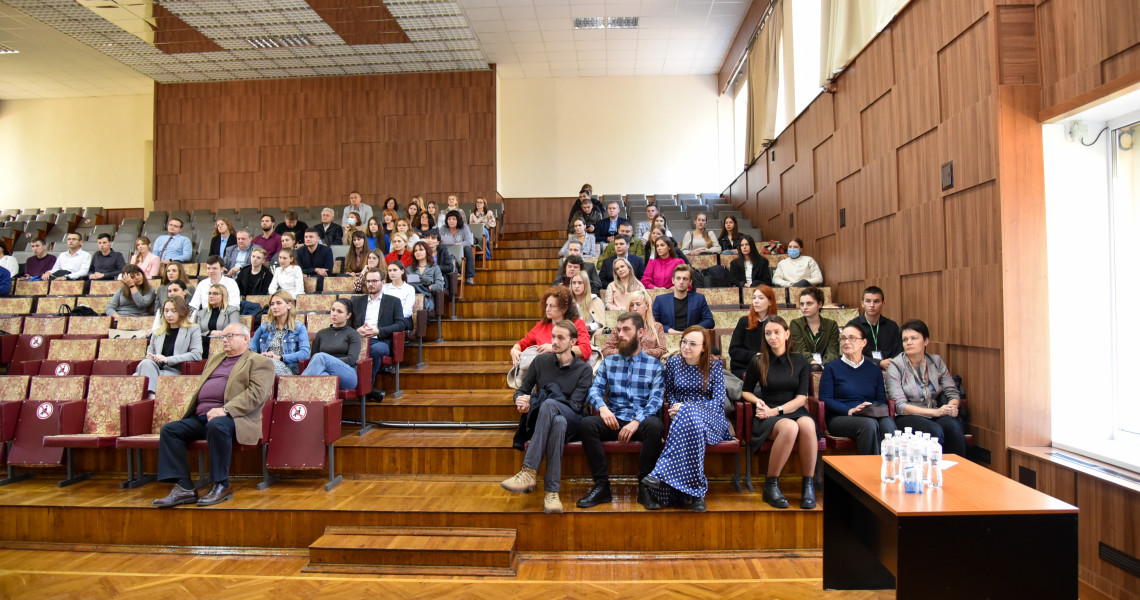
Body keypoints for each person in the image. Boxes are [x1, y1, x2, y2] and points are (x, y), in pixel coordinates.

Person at [151, 323, 274, 508]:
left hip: (235, 418)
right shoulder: (215, 359)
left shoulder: (259, 362)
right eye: (222, 337)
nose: (224, 340)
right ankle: (184, 487)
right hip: (202, 417)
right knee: (170, 430)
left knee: (217, 425)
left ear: (245, 339)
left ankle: (221, 484)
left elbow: (256, 394)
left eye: (230, 336)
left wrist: (225, 410)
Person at [500, 320, 594, 514]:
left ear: (573, 342)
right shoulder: (541, 362)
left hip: (573, 421)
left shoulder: (584, 370)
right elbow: (522, 390)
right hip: (547, 420)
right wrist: (521, 401)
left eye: (561, 338)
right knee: (556, 421)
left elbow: (575, 405)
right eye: (553, 337)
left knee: (553, 407)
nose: (555, 342)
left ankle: (529, 471)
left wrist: (536, 402)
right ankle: (552, 493)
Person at [577, 312, 666, 510]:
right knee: (587, 424)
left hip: (640, 423)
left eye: (626, 329)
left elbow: (656, 400)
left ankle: (645, 488)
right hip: (614, 419)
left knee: (654, 426)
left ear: (640, 332)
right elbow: (594, 389)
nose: (620, 334)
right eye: (618, 330)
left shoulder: (655, 366)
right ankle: (602, 486)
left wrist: (637, 421)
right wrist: (602, 408)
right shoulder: (609, 362)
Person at [641, 326, 731, 512]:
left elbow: (718, 402)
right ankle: (698, 494)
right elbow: (671, 393)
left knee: (693, 419)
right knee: (694, 427)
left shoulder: (715, 366)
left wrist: (686, 407)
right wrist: (676, 407)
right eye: (684, 342)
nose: (686, 347)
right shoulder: (673, 363)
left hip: (711, 418)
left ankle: (660, 472)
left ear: (704, 347)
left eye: (692, 344)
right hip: (685, 419)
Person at [741, 316, 817, 509]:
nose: (772, 337)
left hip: (790, 408)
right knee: (790, 427)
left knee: (807, 424)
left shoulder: (800, 360)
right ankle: (771, 484)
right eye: (768, 333)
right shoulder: (758, 360)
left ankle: (808, 485)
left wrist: (777, 411)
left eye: (777, 332)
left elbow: (802, 398)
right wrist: (758, 401)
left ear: (787, 334)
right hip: (767, 414)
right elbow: (745, 391)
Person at [885, 320, 967, 457]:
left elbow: (952, 392)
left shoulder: (936, 361)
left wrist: (952, 406)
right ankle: (932, 472)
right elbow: (900, 406)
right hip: (908, 415)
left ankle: (958, 471)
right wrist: (935, 413)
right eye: (905, 339)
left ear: (926, 341)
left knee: (953, 427)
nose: (908, 343)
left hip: (936, 411)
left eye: (914, 338)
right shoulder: (895, 366)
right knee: (933, 430)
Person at [819, 323, 898, 455]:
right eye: (843, 338)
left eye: (852, 338)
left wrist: (868, 407)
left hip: (868, 413)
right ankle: (870, 469)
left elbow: (881, 400)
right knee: (868, 424)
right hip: (841, 416)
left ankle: (892, 468)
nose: (846, 342)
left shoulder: (874, 369)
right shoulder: (831, 368)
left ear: (864, 342)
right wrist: (849, 410)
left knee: (888, 424)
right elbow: (825, 399)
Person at [352, 268, 411, 398]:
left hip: (381, 340)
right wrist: (357, 330)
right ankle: (357, 386)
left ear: (383, 282)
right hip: (358, 339)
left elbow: (401, 324)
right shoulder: (356, 301)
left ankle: (366, 389)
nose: (370, 284)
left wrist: (379, 331)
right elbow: (348, 323)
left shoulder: (393, 301)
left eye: (374, 281)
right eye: (368, 281)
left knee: (374, 350)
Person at [135, 296, 203, 397]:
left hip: (175, 371)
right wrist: (152, 357)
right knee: (146, 363)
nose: (169, 315)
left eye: (173, 311)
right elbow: (149, 354)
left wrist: (167, 359)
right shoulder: (157, 332)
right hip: (155, 369)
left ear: (182, 312)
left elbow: (196, 354)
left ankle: (150, 397)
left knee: (137, 377)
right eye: (166, 311)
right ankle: (151, 397)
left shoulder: (193, 329)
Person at [510, 287, 591, 363]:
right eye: (547, 305)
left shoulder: (578, 323)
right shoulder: (542, 325)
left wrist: (555, 348)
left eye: (552, 306)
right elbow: (522, 344)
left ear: (564, 308)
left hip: (569, 372)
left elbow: (585, 350)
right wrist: (514, 350)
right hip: (544, 372)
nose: (547, 309)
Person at [302, 298, 362, 391]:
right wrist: (325, 363)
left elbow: (351, 360)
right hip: (326, 372)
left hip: (347, 375)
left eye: (339, 312)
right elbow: (313, 358)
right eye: (333, 310)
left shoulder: (353, 334)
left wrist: (327, 362)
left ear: (348, 315)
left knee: (321, 357)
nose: (334, 313)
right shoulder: (321, 333)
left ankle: (298, 388)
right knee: (323, 377)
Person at [250, 290, 310, 375]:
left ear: (289, 305)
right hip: (263, 364)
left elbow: (305, 353)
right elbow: (251, 349)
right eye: (272, 304)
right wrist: (260, 356)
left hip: (287, 368)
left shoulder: (299, 327)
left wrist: (280, 358)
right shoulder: (264, 327)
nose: (274, 307)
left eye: (278, 303)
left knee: (267, 364)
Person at [728, 285, 779, 379]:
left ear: (770, 302)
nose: (756, 301)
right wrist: (756, 356)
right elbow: (733, 350)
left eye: (761, 298)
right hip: (744, 367)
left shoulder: (776, 323)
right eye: (754, 298)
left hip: (768, 366)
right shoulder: (744, 321)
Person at [846, 286, 902, 370]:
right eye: (868, 301)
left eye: (876, 301)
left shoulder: (892, 326)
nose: (872, 305)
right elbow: (851, 353)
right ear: (862, 304)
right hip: (861, 368)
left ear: (883, 304)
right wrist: (878, 363)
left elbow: (899, 350)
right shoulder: (853, 326)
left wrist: (892, 362)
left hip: (890, 368)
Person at [600, 290, 665, 359]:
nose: (634, 308)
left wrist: (640, 352)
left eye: (638, 304)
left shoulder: (657, 327)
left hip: (649, 365)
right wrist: (627, 352)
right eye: (631, 305)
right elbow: (606, 350)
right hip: (624, 363)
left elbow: (662, 351)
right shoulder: (621, 327)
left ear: (647, 306)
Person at [651, 265, 714, 334]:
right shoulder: (660, 300)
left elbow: (709, 321)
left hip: (692, 337)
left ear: (690, 282)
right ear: (673, 280)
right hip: (668, 338)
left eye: (685, 279)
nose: (681, 282)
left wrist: (692, 329)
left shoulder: (699, 298)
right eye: (678, 278)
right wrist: (668, 330)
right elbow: (653, 322)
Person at [790, 287, 840, 370]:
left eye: (809, 303)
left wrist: (826, 366)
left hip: (827, 366)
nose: (804, 307)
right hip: (803, 366)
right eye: (802, 304)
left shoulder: (831, 325)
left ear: (820, 304)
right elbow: (800, 350)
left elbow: (832, 351)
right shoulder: (796, 324)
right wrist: (814, 363)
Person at [440, 210, 477, 285]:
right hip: (447, 251)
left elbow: (469, 242)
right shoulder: (443, 228)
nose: (451, 221)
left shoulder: (464, 227)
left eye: (454, 219)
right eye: (449, 219)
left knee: (468, 248)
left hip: (460, 251)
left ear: (458, 220)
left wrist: (457, 244)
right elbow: (438, 240)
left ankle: (469, 276)